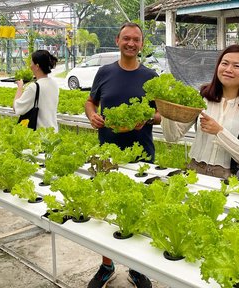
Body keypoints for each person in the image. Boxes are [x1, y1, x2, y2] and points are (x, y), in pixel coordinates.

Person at [84, 22, 160, 288]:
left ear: (141, 44)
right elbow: (91, 101)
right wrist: (92, 115)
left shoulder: (151, 76)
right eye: (126, 38)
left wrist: (146, 117)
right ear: (117, 40)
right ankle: (107, 265)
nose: (131, 43)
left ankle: (136, 268)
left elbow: (161, 113)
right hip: (107, 153)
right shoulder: (104, 72)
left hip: (141, 156)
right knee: (106, 212)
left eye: (136, 39)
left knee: (139, 210)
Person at [161, 44, 239, 179]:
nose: (228, 69)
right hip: (194, 172)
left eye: (236, 66)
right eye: (225, 63)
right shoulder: (203, 98)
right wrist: (166, 110)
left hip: (230, 178)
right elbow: (172, 136)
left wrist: (219, 132)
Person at [13, 50, 59, 132]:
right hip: (52, 131)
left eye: (31, 63)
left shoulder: (34, 87)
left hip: (39, 134)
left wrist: (20, 87)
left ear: (37, 66)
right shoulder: (54, 84)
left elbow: (17, 108)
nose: (30, 66)